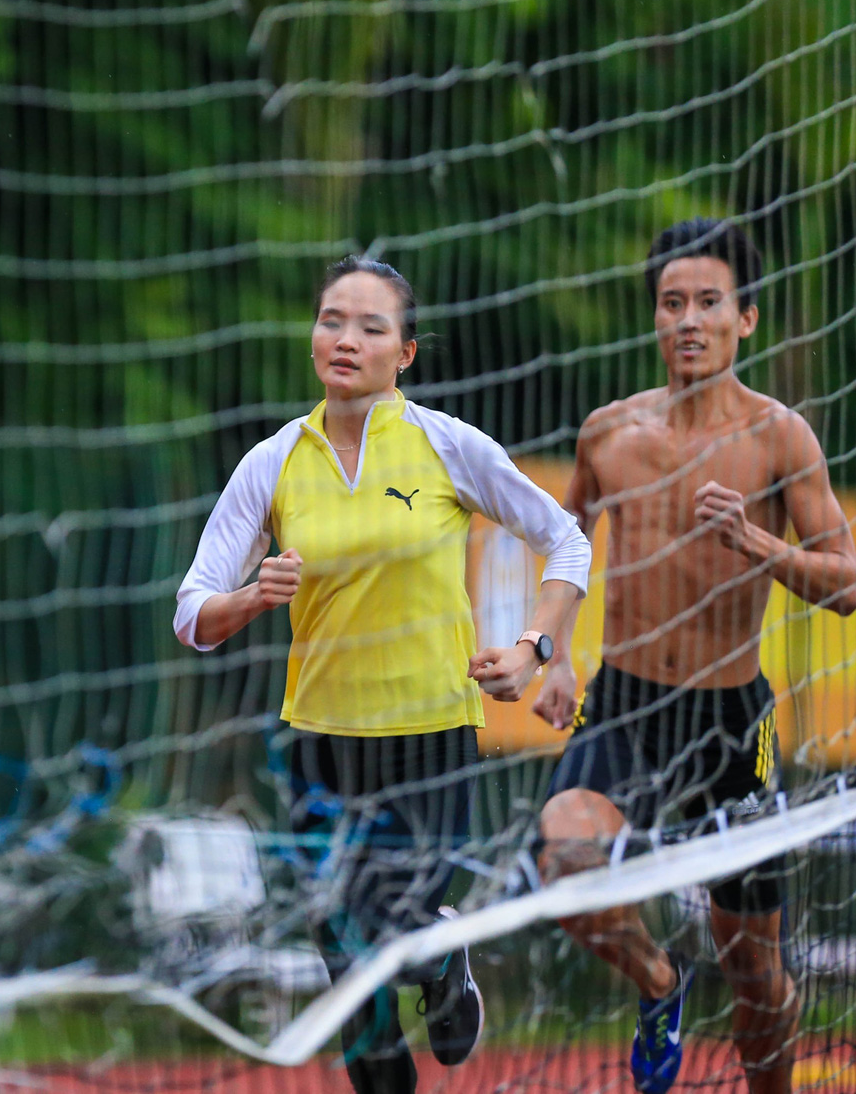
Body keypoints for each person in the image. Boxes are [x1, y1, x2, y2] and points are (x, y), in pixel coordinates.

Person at [176, 255, 589, 1094]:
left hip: (429, 735)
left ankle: (441, 956)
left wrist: (532, 648)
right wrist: (254, 595)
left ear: (404, 353)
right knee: (342, 951)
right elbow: (192, 614)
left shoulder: (446, 444)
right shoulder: (273, 462)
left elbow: (567, 540)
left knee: (392, 927)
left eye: (371, 326)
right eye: (332, 319)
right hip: (319, 743)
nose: (346, 339)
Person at [534, 218, 856, 1094]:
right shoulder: (609, 432)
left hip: (730, 721)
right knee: (564, 860)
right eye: (672, 302)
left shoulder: (781, 436)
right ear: (655, 316)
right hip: (628, 705)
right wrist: (551, 650)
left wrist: (758, 542)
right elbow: (567, 545)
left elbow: (848, 584)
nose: (688, 319)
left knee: (756, 973)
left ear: (744, 318)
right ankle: (660, 983)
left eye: (709, 302)